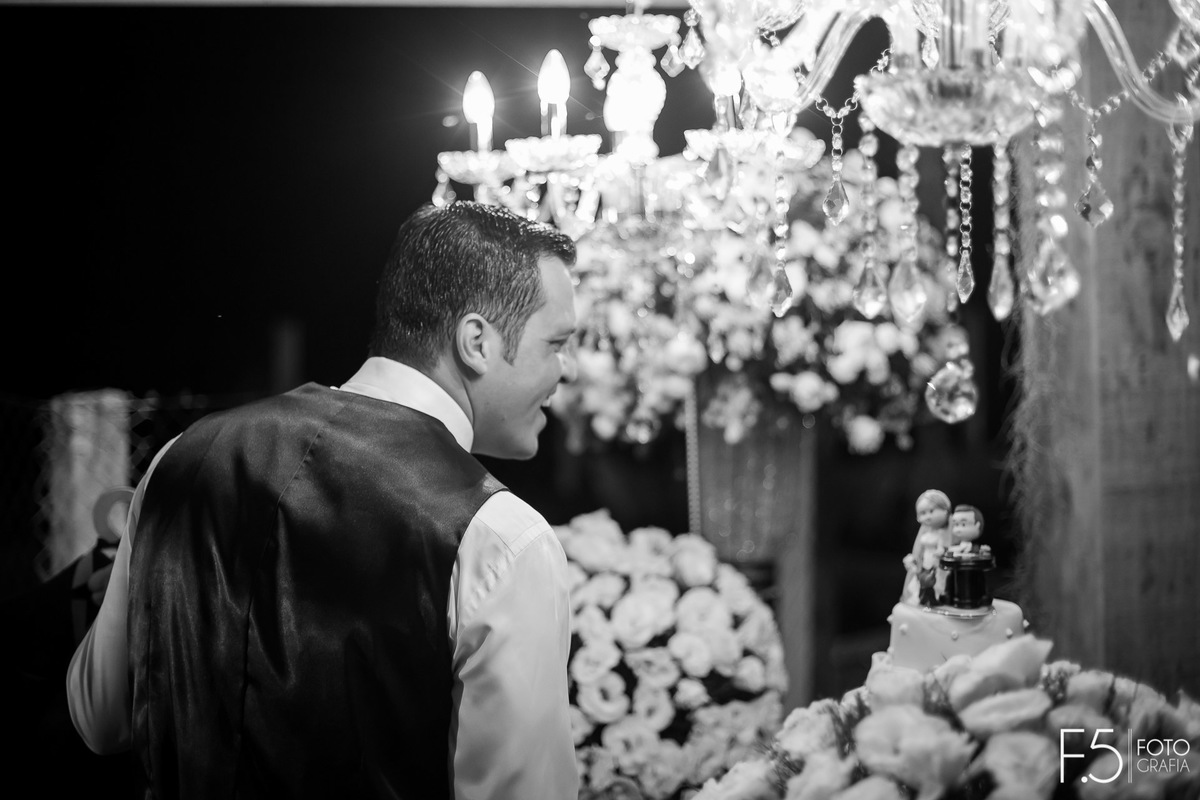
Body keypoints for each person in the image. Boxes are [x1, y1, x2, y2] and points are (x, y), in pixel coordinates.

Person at [65, 200, 581, 799]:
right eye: (557, 343)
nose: (567, 369)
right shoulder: (499, 536)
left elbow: (99, 718)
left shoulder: (181, 458)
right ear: (477, 342)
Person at [900, 489, 952, 606]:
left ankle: (935, 598)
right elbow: (919, 549)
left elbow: (945, 546)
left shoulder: (943, 534)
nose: (927, 516)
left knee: (936, 581)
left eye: (931, 511)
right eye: (923, 513)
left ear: (944, 510)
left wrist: (941, 551)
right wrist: (914, 560)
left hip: (937, 562)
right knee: (920, 581)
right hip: (925, 561)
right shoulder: (925, 533)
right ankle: (922, 597)